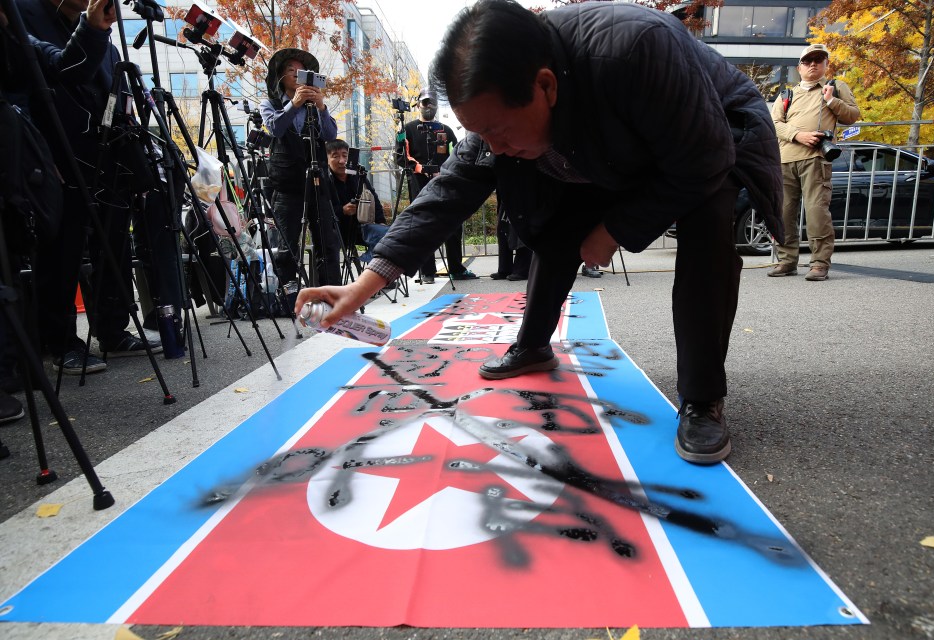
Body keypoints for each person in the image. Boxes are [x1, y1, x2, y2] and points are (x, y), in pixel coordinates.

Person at [296, 0, 784, 465]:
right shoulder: (506, 99)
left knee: (707, 236)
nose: (494, 147)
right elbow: (446, 194)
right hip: (609, 147)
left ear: (545, 86)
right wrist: (363, 288)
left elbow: (704, 159)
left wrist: (613, 229)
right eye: (479, 132)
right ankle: (533, 345)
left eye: (500, 130)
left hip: (715, 134)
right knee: (553, 222)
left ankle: (702, 399)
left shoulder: (637, 48)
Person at [17, 0, 163, 374]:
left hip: (108, 160)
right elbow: (36, 81)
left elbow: (118, 97)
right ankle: (60, 341)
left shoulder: (108, 41)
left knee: (114, 245)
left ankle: (113, 329)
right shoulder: (24, 14)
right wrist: (35, 154)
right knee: (61, 253)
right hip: (57, 158)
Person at [769, 44, 860, 281]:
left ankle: (819, 263)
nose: (813, 65)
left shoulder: (836, 87)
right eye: (808, 61)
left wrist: (831, 102)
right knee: (784, 213)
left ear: (826, 65)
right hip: (785, 160)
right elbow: (774, 124)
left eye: (818, 61)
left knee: (816, 212)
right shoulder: (787, 94)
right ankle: (787, 261)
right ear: (799, 67)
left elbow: (852, 116)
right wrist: (798, 135)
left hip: (816, 160)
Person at [259, 48, 341, 291]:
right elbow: (275, 128)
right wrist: (293, 105)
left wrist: (322, 107)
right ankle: (289, 297)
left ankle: (331, 293)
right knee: (287, 243)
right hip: (286, 183)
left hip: (317, 182)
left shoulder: (314, 107)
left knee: (327, 241)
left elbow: (330, 135)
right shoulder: (270, 104)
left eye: (301, 71)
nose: (297, 75)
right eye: (290, 71)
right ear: (280, 77)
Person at [401, 88, 476, 283]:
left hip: (444, 180)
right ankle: (427, 272)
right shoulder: (406, 129)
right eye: (425, 102)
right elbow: (400, 156)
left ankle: (456, 269)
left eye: (432, 103)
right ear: (418, 104)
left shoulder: (446, 130)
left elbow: (458, 154)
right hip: (418, 183)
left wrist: (444, 170)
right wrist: (420, 168)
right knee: (422, 225)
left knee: (452, 223)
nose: (429, 106)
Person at [325, 139, 389, 266]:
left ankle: (380, 276)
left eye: (345, 155)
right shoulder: (324, 179)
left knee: (387, 235)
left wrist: (381, 221)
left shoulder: (358, 176)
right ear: (326, 159)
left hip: (361, 228)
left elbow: (373, 199)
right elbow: (320, 210)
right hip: (337, 230)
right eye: (335, 156)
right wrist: (342, 210)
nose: (342, 161)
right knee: (329, 242)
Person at [491, 201, 530, 281]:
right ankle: (504, 269)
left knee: (521, 230)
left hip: (522, 195)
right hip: (506, 195)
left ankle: (522, 270)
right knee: (503, 229)